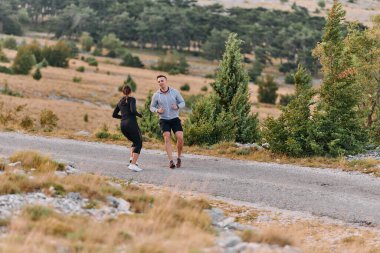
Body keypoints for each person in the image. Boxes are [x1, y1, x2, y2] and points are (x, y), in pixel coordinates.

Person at [150, 74, 186, 169]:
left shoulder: (175, 92)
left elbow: (183, 102)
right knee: (167, 137)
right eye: (158, 81)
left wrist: (177, 106)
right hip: (164, 119)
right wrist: (157, 110)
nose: (160, 83)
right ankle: (171, 161)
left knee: (180, 137)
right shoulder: (156, 95)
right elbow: (151, 107)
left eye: (162, 80)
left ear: (166, 81)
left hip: (174, 118)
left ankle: (178, 157)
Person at [112, 85, 143, 172]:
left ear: (123, 92)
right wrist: (139, 115)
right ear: (130, 92)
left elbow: (114, 115)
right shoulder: (132, 99)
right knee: (139, 143)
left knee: (134, 141)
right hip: (131, 124)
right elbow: (133, 111)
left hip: (123, 125)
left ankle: (131, 160)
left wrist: (123, 117)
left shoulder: (120, 101)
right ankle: (133, 164)